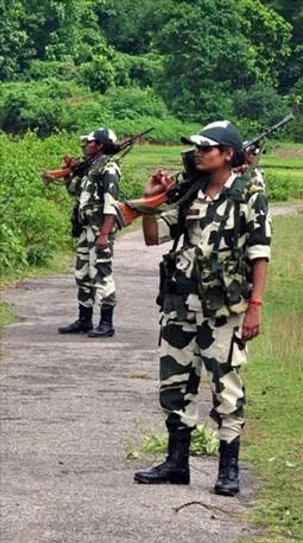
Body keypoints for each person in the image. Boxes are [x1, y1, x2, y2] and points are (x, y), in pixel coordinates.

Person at [132, 120, 271, 497]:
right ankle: (176, 463)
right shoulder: (191, 193)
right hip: (180, 305)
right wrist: (149, 201)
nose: (198, 153)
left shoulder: (248, 195)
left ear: (227, 154)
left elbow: (260, 253)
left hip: (223, 309)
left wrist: (255, 306)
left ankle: (228, 469)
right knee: (174, 384)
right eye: (196, 147)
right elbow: (153, 237)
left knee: (226, 385)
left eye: (206, 148)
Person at [47, 128, 122, 338]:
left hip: (99, 229)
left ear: (99, 145)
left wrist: (104, 233)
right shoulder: (91, 167)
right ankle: (84, 319)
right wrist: (67, 172)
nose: (86, 145)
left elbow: (111, 202)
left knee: (101, 273)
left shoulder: (109, 168)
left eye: (90, 142)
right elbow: (75, 190)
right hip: (86, 228)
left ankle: (106, 323)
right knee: (82, 274)